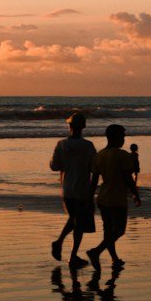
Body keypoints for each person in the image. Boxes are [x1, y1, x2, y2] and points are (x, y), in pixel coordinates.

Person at [87, 123, 141, 271]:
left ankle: (114, 259)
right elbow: (128, 179)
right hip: (117, 199)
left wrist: (90, 199)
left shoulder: (99, 155)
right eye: (122, 136)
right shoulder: (122, 155)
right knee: (119, 231)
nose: (124, 139)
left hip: (103, 198)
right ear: (116, 137)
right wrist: (136, 195)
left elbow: (93, 181)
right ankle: (95, 251)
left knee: (108, 231)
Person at [49, 112, 96, 268]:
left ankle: (71, 253)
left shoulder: (61, 144)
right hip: (82, 189)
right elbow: (94, 168)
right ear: (83, 127)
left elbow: (54, 166)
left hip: (67, 188)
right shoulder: (88, 146)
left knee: (76, 221)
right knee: (78, 222)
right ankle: (62, 244)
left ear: (69, 126)